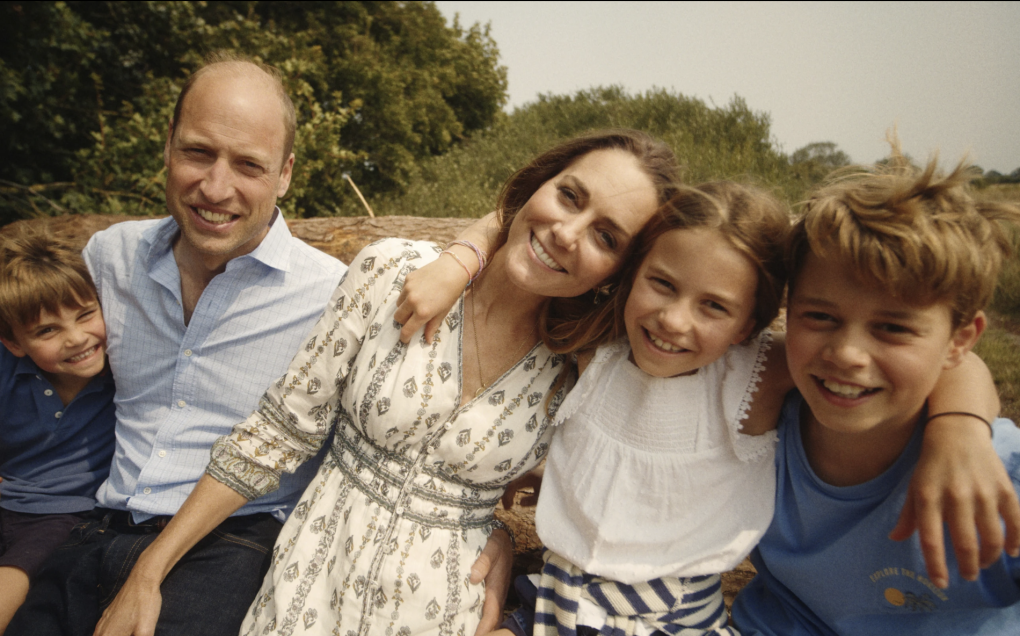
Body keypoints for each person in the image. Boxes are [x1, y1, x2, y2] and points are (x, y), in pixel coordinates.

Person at [91, 129, 684, 636]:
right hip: (308, 589)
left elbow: (603, 514)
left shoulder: (582, 370)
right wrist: (150, 569)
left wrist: (497, 530)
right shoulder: (395, 270)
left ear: (619, 273)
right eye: (569, 196)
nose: (567, 232)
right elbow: (277, 432)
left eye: (606, 237)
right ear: (537, 185)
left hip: (446, 609)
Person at [6, 53, 347, 636]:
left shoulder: (331, 297)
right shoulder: (109, 259)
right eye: (198, 152)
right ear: (168, 144)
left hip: (233, 543)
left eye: (248, 164)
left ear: (285, 173)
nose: (216, 187)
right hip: (92, 527)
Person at [730, 146, 1020, 634]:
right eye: (820, 317)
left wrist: (962, 428)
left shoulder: (998, 480)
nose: (847, 353)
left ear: (961, 341)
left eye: (893, 328)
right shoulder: (755, 413)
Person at [0, 226, 116, 633]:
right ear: (14, 343)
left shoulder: (121, 373)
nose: (76, 338)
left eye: (86, 314)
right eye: (47, 331)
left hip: (64, 512)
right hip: (6, 495)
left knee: (14, 577)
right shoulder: (8, 369)